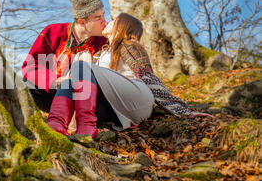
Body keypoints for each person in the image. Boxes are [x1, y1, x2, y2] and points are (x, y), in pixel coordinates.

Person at [46, 12, 214, 139]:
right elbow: (85, 91)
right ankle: (55, 125)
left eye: (113, 20)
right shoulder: (101, 54)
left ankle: (87, 129)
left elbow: (148, 76)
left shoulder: (129, 45)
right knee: (71, 80)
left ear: (122, 27)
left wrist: (183, 110)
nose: (107, 22)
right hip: (115, 106)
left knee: (80, 67)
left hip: (138, 97)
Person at [21, 0, 108, 112]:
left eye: (103, 15)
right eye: (98, 17)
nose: (104, 21)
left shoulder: (105, 39)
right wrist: (57, 81)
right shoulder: (52, 32)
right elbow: (30, 67)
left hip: (86, 100)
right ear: (82, 21)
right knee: (26, 85)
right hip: (52, 94)